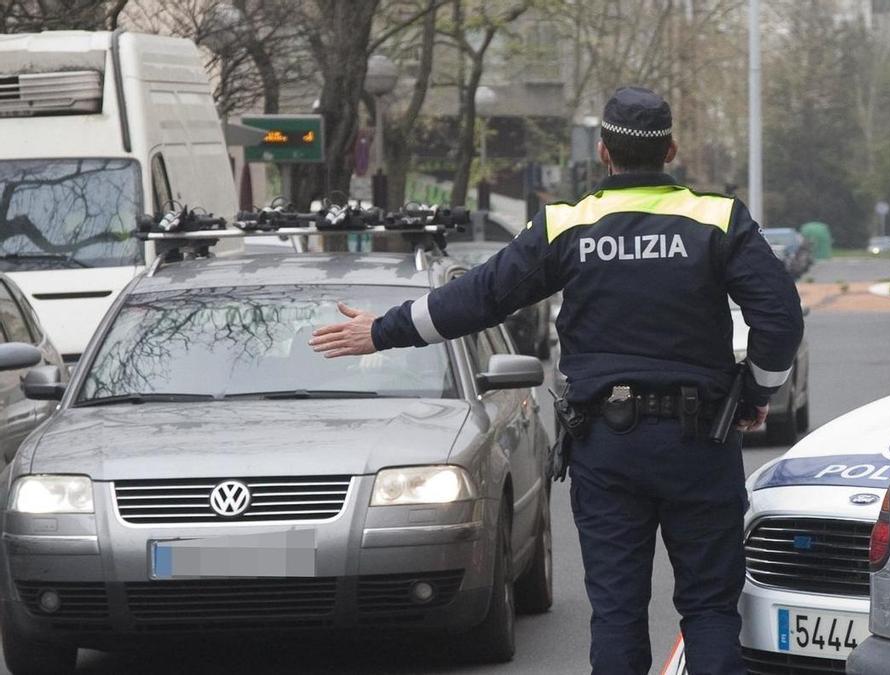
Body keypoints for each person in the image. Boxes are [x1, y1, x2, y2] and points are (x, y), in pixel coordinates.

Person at [310, 86, 804, 675]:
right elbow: (780, 318)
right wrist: (754, 395)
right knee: (710, 609)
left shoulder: (568, 224)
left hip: (608, 447)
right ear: (670, 149)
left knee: (618, 614)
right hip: (699, 443)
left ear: (603, 152)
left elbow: (478, 297)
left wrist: (382, 331)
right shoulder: (718, 219)